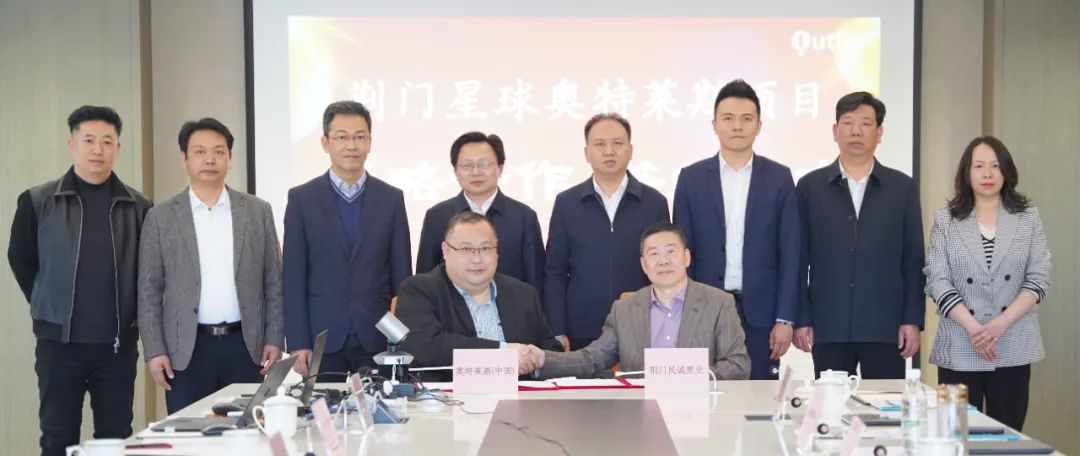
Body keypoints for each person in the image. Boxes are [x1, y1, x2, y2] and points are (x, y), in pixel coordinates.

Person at [7, 106, 152, 455]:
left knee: (115, 440)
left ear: (118, 148)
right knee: (58, 438)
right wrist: (47, 303)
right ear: (72, 144)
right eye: (89, 140)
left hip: (116, 347)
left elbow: (148, 273)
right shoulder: (37, 201)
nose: (98, 150)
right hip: (59, 346)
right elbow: (21, 259)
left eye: (107, 142)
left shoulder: (139, 207)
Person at [138, 118, 284, 413]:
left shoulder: (257, 211)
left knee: (247, 432)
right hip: (186, 351)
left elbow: (274, 282)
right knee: (189, 433)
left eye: (219, 151)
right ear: (184, 159)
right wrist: (154, 350)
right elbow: (148, 290)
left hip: (246, 347)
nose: (210, 159)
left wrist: (274, 338)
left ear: (230, 158)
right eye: (200, 152)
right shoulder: (160, 217)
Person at [793, 92, 925, 379]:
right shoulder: (810, 187)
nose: (856, 131)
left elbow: (913, 261)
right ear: (835, 130)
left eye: (866, 123)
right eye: (848, 122)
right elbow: (798, 260)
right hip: (829, 324)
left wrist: (911, 320)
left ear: (879, 133)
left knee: (885, 404)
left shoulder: (902, 188)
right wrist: (801, 319)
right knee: (831, 404)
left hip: (885, 326)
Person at [673, 79, 799, 379]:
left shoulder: (779, 178)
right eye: (728, 118)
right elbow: (682, 252)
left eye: (746, 119)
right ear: (714, 124)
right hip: (704, 310)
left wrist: (785, 318)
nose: (737, 126)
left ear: (759, 126)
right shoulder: (691, 178)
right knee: (703, 394)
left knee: (760, 396)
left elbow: (791, 251)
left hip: (762, 315)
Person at [924, 136, 1051, 431]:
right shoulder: (946, 221)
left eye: (995, 166)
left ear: (1006, 171)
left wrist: (1001, 323)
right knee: (954, 435)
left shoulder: (1028, 218)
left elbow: (1039, 277)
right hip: (959, 343)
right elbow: (937, 280)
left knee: (1006, 437)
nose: (987, 174)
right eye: (979, 166)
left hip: (1012, 342)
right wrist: (975, 330)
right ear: (966, 173)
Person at [284, 101, 412, 382]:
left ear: (370, 142)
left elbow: (402, 278)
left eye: (359, 137)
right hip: (321, 338)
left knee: (383, 408)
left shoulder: (391, 198)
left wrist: (400, 340)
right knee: (322, 409)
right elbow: (293, 278)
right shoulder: (302, 199)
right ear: (325, 143)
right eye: (342, 137)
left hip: (378, 337)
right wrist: (297, 342)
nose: (351, 145)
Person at [525, 222, 750, 380]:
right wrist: (541, 359)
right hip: (639, 414)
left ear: (687, 257)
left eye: (671, 252)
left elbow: (738, 365)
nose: (663, 261)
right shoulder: (624, 309)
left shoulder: (719, 303)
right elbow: (591, 360)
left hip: (700, 411)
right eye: (654, 254)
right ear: (643, 264)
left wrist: (688, 376)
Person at [544, 113, 670, 352]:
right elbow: (555, 271)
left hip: (640, 326)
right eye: (600, 144)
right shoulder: (567, 203)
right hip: (581, 329)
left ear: (630, 150)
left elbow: (664, 271)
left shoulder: (654, 203)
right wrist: (557, 329)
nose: (609, 151)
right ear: (587, 153)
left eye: (617, 143)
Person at [397, 212, 561, 376]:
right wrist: (503, 354)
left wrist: (534, 361)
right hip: (448, 391)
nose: (477, 259)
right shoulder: (418, 290)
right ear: (446, 251)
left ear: (497, 251)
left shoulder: (523, 294)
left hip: (518, 391)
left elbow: (550, 348)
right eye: (466, 249)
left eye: (485, 248)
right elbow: (424, 346)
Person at [415, 131, 544, 293]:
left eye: (484, 164)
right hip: (448, 308)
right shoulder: (437, 216)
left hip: (510, 307)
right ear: (455, 171)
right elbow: (424, 278)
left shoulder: (523, 217)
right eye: (467, 166)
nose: (476, 172)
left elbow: (536, 279)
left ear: (500, 168)